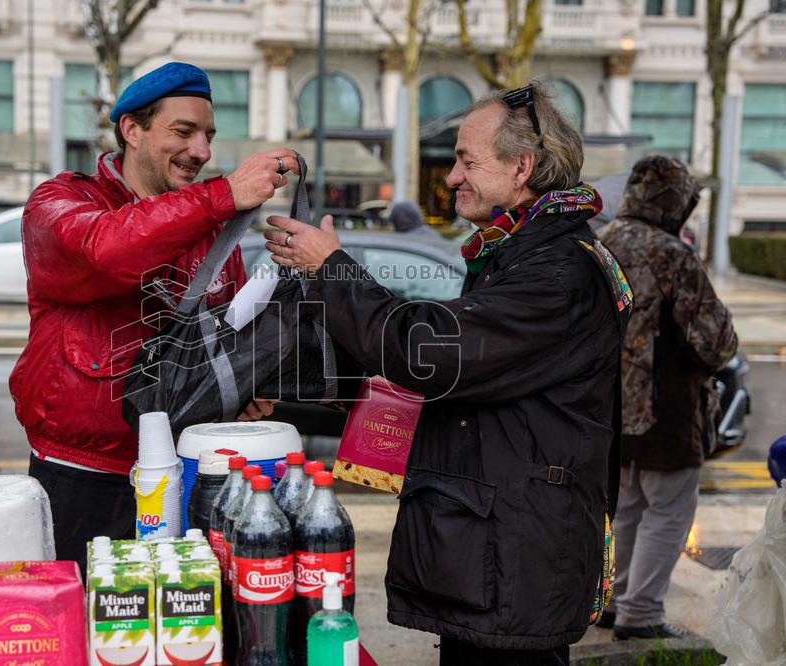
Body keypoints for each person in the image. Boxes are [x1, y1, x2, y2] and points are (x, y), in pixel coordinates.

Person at [265, 81, 632, 664]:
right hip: (494, 555)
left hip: (515, 564)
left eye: (466, 158)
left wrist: (331, 267)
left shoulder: (557, 270)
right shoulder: (519, 251)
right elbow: (453, 377)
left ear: (522, 167)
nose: (452, 177)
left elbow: (429, 353)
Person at [9, 62, 299, 573]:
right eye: (183, 132)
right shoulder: (59, 202)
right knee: (90, 634)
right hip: (85, 475)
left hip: (188, 472)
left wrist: (242, 389)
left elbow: (221, 338)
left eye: (208, 136)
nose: (202, 152)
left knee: (187, 629)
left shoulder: (210, 223)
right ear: (132, 130)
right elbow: (108, 251)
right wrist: (224, 194)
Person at [598, 155, 738, 640]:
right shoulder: (670, 253)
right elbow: (716, 341)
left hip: (608, 408)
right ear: (675, 201)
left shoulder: (603, 243)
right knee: (670, 509)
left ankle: (614, 601)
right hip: (666, 410)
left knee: (629, 505)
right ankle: (642, 613)